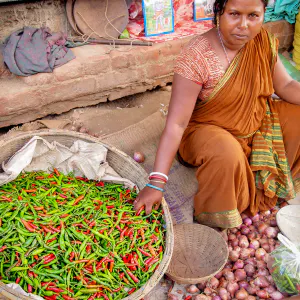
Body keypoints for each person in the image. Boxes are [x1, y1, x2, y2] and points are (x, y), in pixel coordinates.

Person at [134, 0, 300, 230]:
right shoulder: (197, 56)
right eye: (234, 14)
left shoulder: (262, 42)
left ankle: (267, 185)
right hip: (208, 130)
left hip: (256, 121)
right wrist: (156, 183)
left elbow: (286, 86)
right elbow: (176, 124)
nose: (243, 25)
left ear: (264, 15)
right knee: (227, 153)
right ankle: (221, 212)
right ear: (219, 12)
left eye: (253, 15)